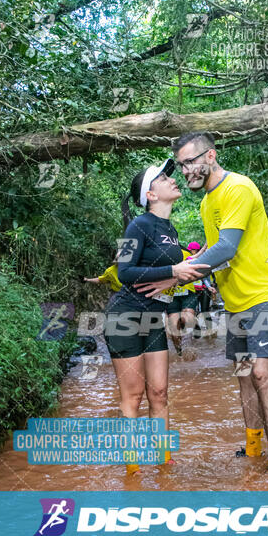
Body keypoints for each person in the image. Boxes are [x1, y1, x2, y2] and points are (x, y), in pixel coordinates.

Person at [135, 133, 268, 471]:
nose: (185, 170)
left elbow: (227, 248)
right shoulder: (207, 203)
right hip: (235, 300)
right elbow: (210, 253)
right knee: (244, 373)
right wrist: (181, 281)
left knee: (262, 373)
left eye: (190, 162)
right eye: (181, 164)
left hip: (264, 292)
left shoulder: (239, 188)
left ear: (210, 156)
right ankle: (252, 448)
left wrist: (175, 277)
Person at [104, 158, 208, 475]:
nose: (172, 180)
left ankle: (164, 463)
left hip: (154, 319)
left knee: (159, 393)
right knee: (133, 396)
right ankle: (133, 471)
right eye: (163, 178)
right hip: (125, 316)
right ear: (150, 194)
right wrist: (173, 270)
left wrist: (195, 272)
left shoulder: (169, 228)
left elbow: (169, 278)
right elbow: (124, 272)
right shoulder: (138, 225)